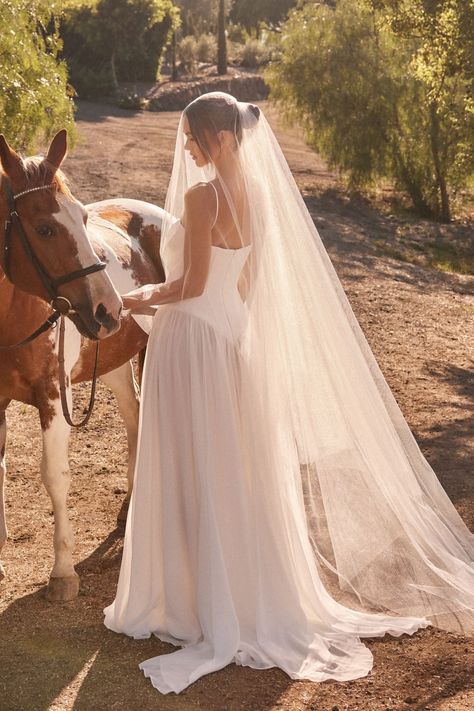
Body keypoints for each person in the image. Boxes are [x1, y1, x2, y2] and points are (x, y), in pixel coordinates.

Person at [103, 91, 474, 695]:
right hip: (227, 340)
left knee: (191, 465)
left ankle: (194, 602)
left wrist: (134, 298)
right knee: (230, 468)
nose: (188, 148)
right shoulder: (259, 197)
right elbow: (242, 283)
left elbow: (188, 284)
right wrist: (231, 335)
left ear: (220, 138)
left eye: (194, 137)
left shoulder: (201, 197)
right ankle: (235, 591)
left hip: (191, 342)